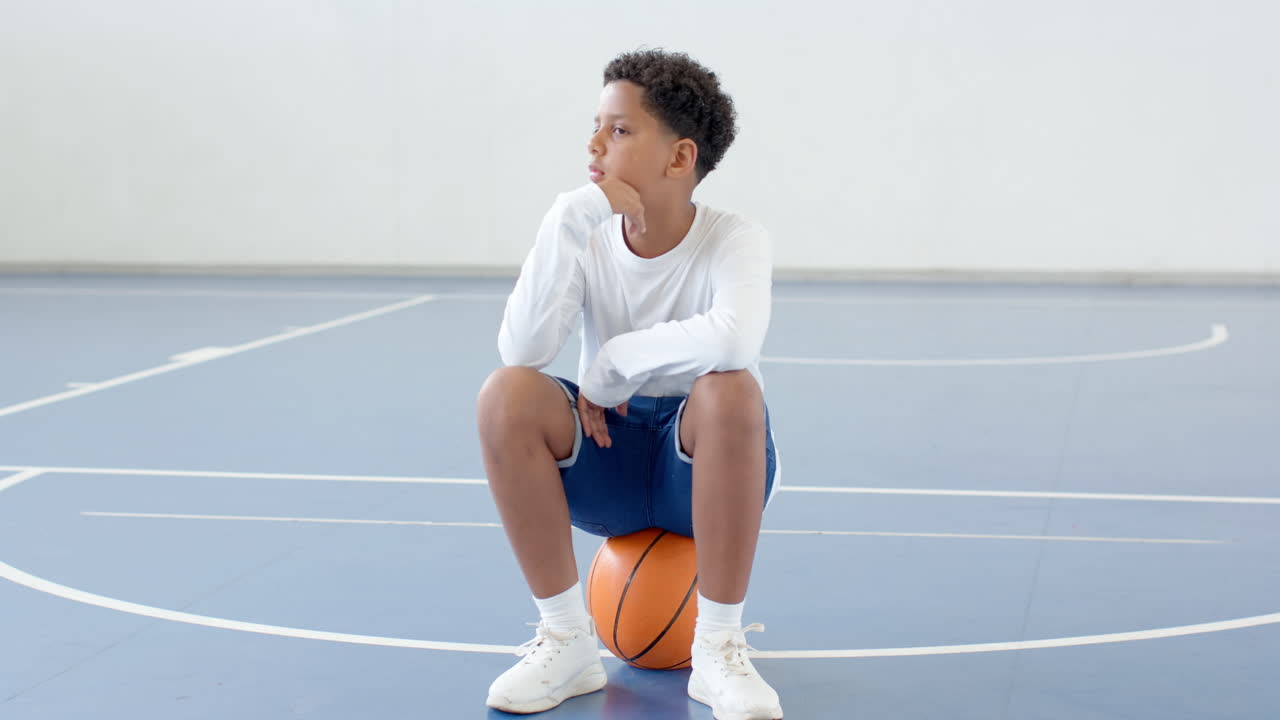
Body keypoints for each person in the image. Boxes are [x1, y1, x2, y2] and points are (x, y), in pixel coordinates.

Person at [477, 47, 783, 720]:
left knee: (730, 388)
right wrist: (566, 218)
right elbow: (523, 349)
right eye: (596, 125)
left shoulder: (737, 239)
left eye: (618, 129)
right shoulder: (584, 233)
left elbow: (733, 339)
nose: (593, 143)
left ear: (679, 159)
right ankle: (565, 641)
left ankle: (718, 650)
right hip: (609, 455)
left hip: (698, 467)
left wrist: (613, 362)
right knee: (506, 394)